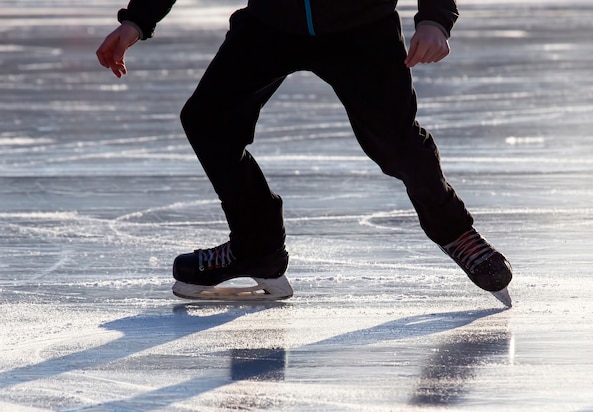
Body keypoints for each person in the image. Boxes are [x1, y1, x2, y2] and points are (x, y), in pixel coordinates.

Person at [96, 0, 513, 307]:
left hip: (361, 23)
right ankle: (256, 247)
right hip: (271, 20)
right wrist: (138, 19)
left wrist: (435, 17)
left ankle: (457, 234)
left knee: (394, 140)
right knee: (208, 121)